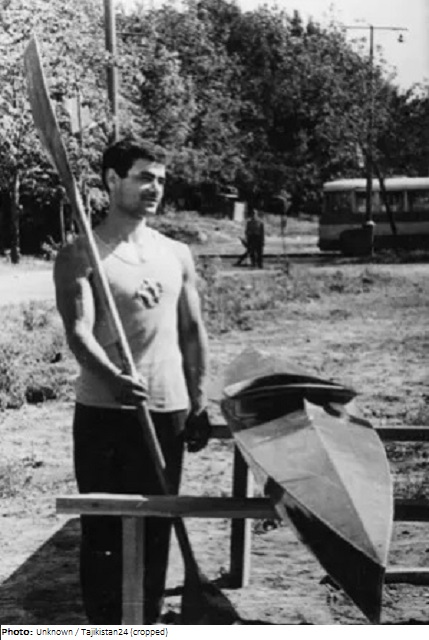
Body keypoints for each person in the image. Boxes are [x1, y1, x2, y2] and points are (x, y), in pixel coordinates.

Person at [54, 138, 211, 624]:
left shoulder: (176, 253)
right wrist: (114, 377)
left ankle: (146, 623)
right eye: (144, 177)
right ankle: (105, 628)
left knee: (157, 527)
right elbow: (78, 333)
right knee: (104, 530)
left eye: (160, 179)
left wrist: (198, 399)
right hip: (105, 411)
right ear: (111, 180)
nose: (155, 188)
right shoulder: (80, 253)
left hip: (168, 409)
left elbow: (192, 331)